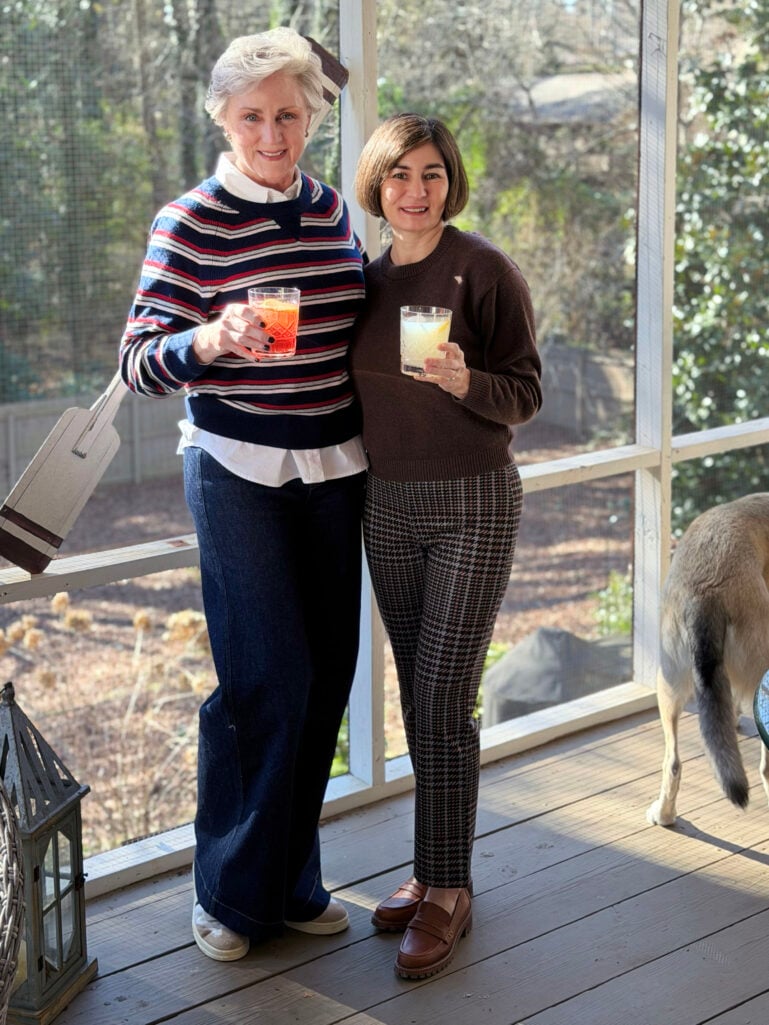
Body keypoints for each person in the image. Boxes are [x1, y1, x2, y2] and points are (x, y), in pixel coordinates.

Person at [119, 28, 367, 962]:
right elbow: (140, 362)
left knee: (324, 683)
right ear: (224, 118)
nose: (273, 132)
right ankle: (228, 891)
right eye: (254, 114)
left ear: (311, 119)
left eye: (290, 114)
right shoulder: (187, 221)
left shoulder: (334, 211)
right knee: (266, 682)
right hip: (237, 472)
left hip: (335, 469)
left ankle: (291, 882)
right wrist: (212, 343)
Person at [350, 113, 542, 980]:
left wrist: (470, 381)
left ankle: (450, 888)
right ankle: (429, 868)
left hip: (472, 501)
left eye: (430, 174)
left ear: (448, 181)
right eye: (398, 176)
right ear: (377, 185)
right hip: (382, 503)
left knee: (440, 699)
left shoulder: (484, 269)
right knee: (417, 700)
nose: (415, 191)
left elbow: (526, 392)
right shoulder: (361, 278)